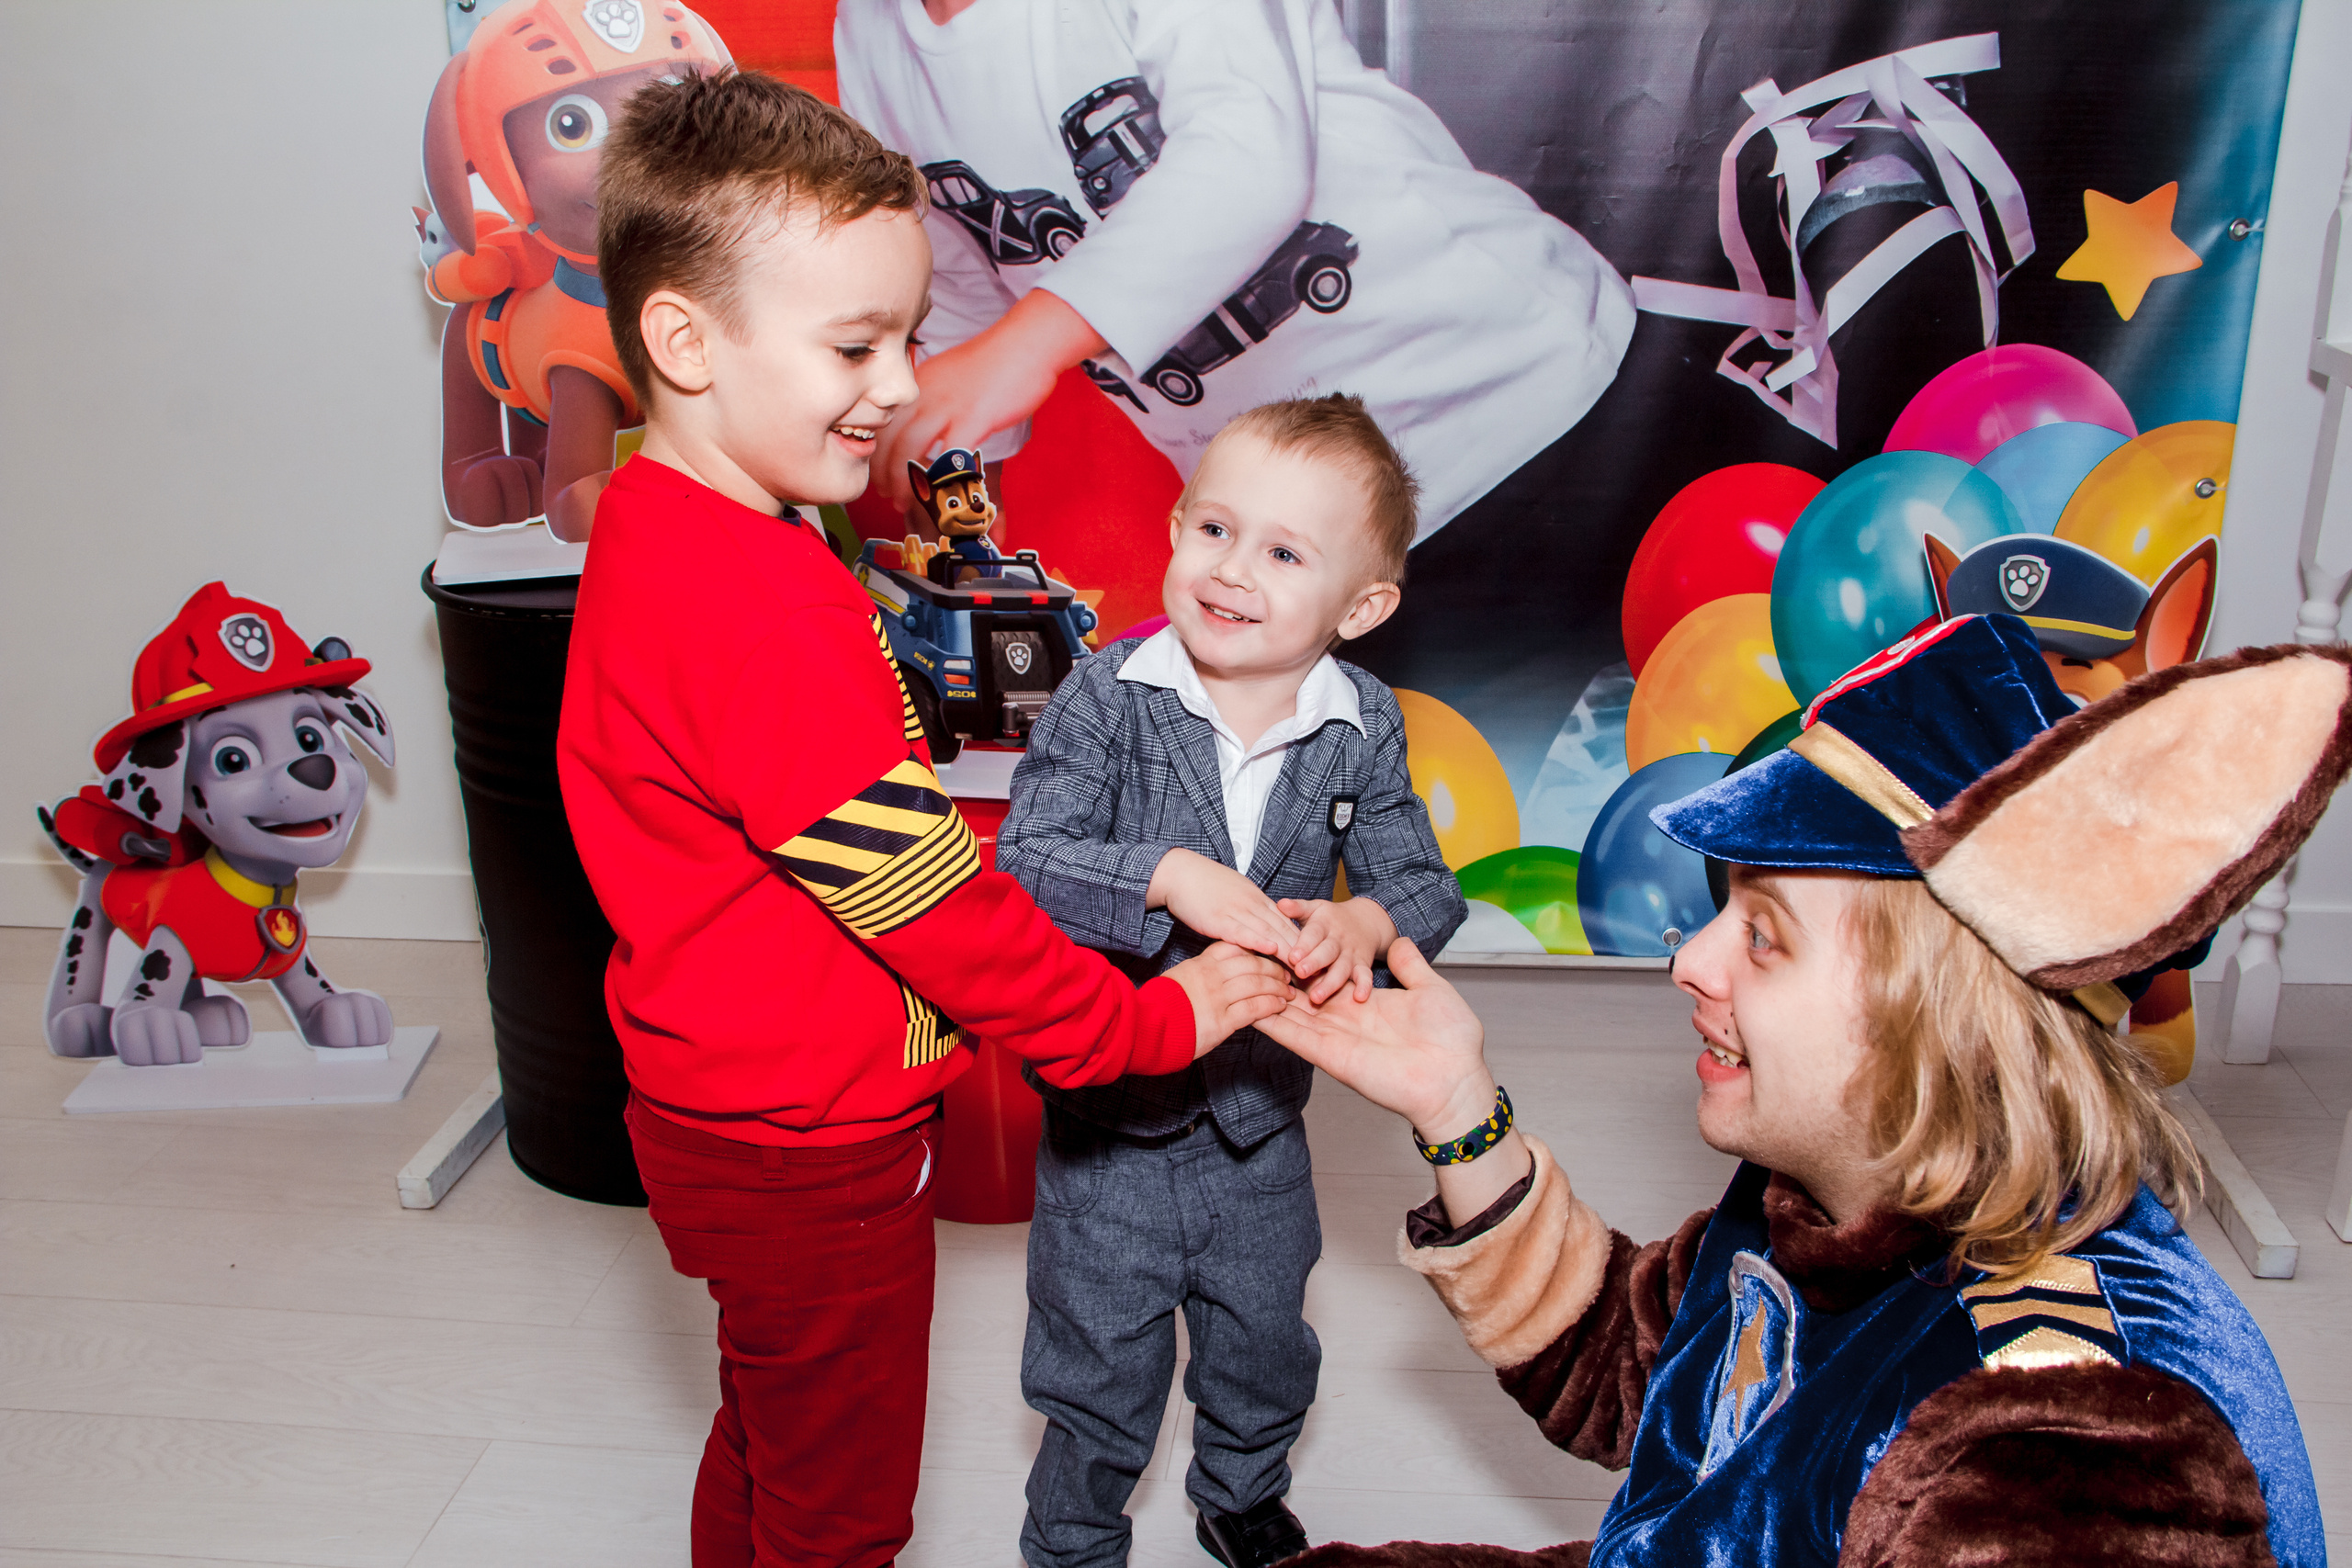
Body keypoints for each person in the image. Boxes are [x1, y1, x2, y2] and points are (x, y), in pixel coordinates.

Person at [555, 72, 1295, 1568]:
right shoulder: (757, 608)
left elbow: (840, 807)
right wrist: (1142, 1026)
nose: (901, 380)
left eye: (904, 331)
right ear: (684, 341)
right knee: (843, 1503)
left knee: (773, 1420)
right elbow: (928, 902)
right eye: (854, 343)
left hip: (721, 1103)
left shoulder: (676, 513)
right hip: (808, 1145)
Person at [1254, 615, 2345, 1566]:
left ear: (1943, 1020)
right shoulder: (1840, 1188)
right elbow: (1655, 1384)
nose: (1689, 961)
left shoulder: (2066, 1450)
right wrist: (1457, 1109)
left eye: (1764, 937)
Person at [997, 394, 1468, 1568]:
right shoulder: (1110, 694)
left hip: (1261, 1117)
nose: (1232, 570)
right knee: (1097, 1359)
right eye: (1213, 530)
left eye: (1283, 551)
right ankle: (1070, 1538)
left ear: (1360, 607)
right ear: (1174, 528)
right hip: (1109, 1116)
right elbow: (1023, 857)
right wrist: (1163, 876)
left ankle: (1241, 1491)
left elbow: (1426, 881)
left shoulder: (1360, 724)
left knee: (1263, 1336)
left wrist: (1362, 918)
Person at [831, 0, 1633, 551]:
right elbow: (962, 280)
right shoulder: (869, 33)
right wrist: (968, 484)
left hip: (1514, 406)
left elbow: (1249, 152)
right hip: (1301, 523)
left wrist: (1024, 349)